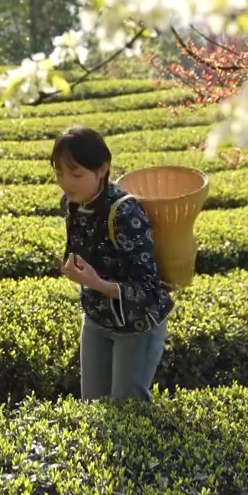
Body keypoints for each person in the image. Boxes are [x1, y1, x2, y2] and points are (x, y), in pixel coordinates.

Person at [53, 125, 173, 402]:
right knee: (92, 406)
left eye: (76, 174)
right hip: (97, 316)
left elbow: (148, 287)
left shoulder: (125, 213)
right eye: (59, 173)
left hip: (137, 323)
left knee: (127, 405)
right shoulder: (71, 204)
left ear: (102, 168)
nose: (66, 182)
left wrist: (96, 283)